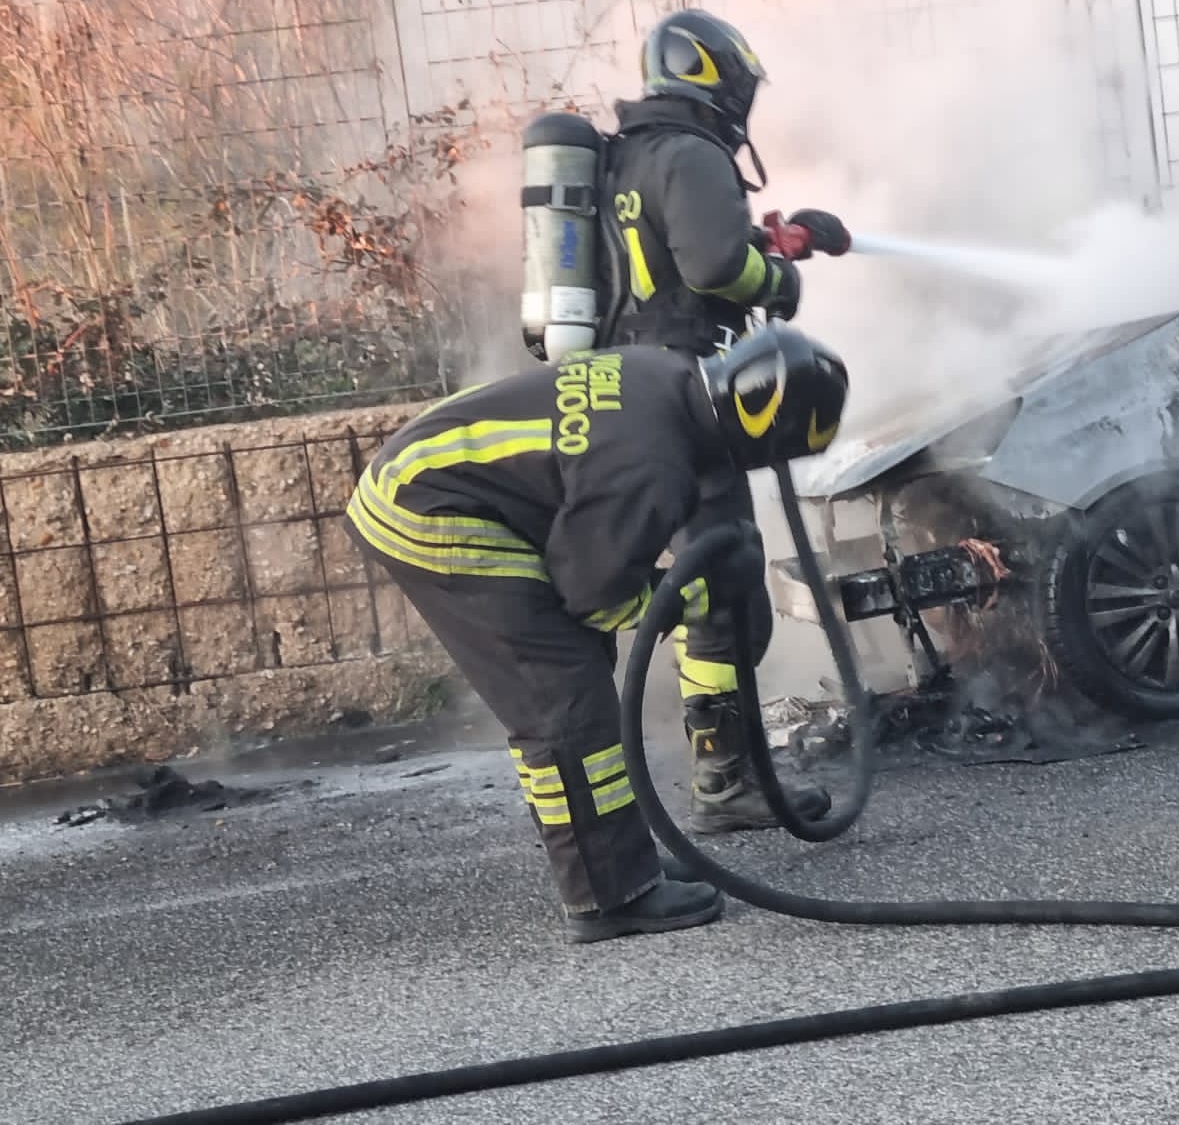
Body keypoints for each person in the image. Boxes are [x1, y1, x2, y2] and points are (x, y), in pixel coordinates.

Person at [342, 326, 851, 943]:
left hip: (431, 474)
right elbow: (591, 596)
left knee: (571, 680)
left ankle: (618, 862)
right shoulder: (649, 464)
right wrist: (686, 592)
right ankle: (607, 895)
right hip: (427, 508)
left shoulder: (669, 375)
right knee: (561, 698)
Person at [595, 7, 853, 836]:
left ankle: (725, 775)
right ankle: (724, 784)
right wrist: (778, 278)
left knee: (706, 582)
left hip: (621, 391)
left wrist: (786, 237)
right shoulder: (693, 150)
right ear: (716, 76)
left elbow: (669, 263)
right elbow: (716, 267)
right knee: (724, 590)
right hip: (680, 393)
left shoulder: (626, 154)